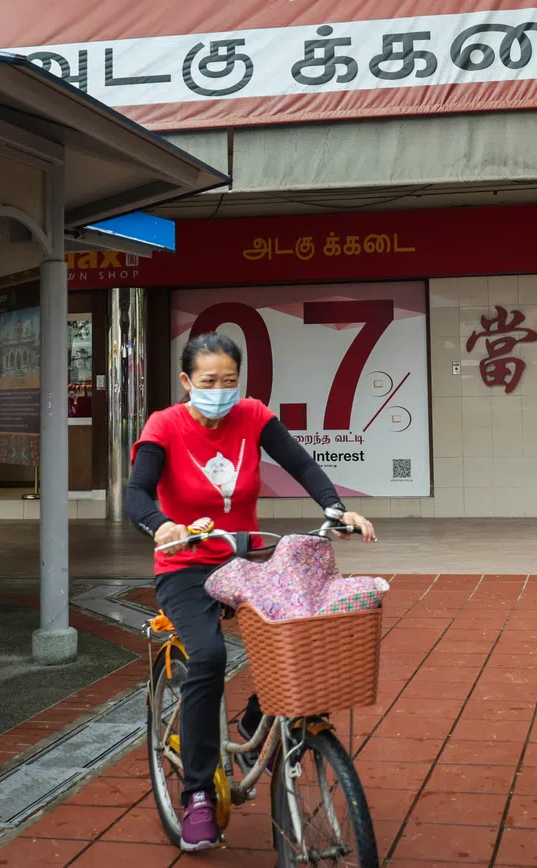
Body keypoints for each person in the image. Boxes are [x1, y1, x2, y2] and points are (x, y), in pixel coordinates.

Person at [126, 331, 376, 853]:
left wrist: (335, 508)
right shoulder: (164, 425)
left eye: (230, 381)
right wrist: (160, 525)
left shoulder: (254, 416)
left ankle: (252, 720)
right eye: (209, 381)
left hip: (242, 561)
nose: (220, 390)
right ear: (186, 381)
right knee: (209, 655)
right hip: (187, 566)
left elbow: (301, 464)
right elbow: (137, 491)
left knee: (300, 627)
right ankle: (196, 793)